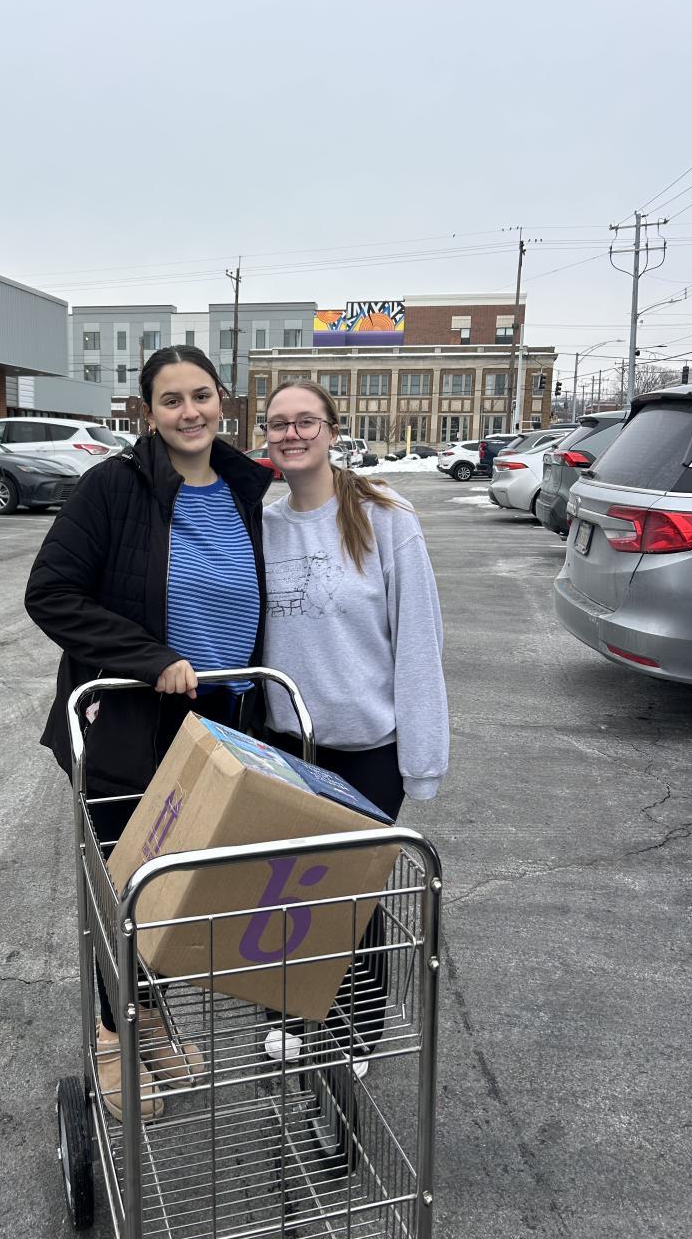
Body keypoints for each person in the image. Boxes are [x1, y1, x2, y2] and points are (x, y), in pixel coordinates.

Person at [25, 345, 272, 1122]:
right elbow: (51, 593)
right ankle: (112, 1033)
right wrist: (150, 658)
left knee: (182, 893)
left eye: (201, 395)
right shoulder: (113, 487)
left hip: (222, 726)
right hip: (131, 725)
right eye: (171, 400)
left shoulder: (248, 489)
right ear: (148, 411)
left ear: (223, 399)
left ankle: (150, 1017)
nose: (190, 412)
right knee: (130, 889)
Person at [260, 378, 448, 1059]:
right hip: (287, 746)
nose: (291, 433)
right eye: (278, 423)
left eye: (306, 420)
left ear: (333, 431)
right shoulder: (264, 527)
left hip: (367, 747)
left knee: (350, 898)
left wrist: (422, 759)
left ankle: (355, 1031)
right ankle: (295, 1011)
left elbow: (419, 641)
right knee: (289, 890)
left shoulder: (386, 518)